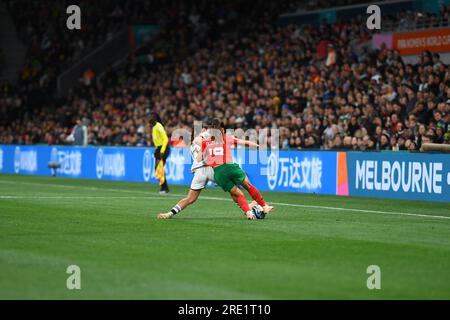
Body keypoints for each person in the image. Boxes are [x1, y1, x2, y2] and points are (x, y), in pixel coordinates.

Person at [199, 118, 273, 220]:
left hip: (218, 173)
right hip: (230, 167)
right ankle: (264, 206)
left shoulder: (205, 142)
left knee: (238, 194)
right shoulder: (226, 138)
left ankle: (249, 213)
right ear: (222, 130)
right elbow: (244, 142)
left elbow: (200, 158)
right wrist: (257, 145)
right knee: (248, 185)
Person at [157, 128, 214, 219]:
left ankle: (169, 214)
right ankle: (245, 209)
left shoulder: (192, 144)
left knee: (190, 199)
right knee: (233, 188)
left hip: (199, 172)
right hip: (210, 168)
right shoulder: (202, 140)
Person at [149, 112, 170, 194]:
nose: (149, 118)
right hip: (159, 148)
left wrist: (161, 151)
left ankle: (164, 188)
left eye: (151, 117)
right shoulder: (154, 127)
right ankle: (164, 187)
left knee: (159, 168)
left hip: (163, 148)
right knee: (158, 169)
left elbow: (165, 139)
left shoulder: (159, 126)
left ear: (155, 118)